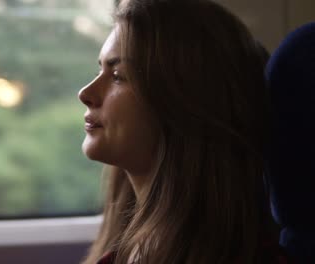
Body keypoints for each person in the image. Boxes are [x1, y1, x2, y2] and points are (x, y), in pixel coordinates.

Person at [77, 0, 287, 263]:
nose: (85, 94)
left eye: (118, 75)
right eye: (100, 69)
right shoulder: (129, 249)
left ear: (182, 102)